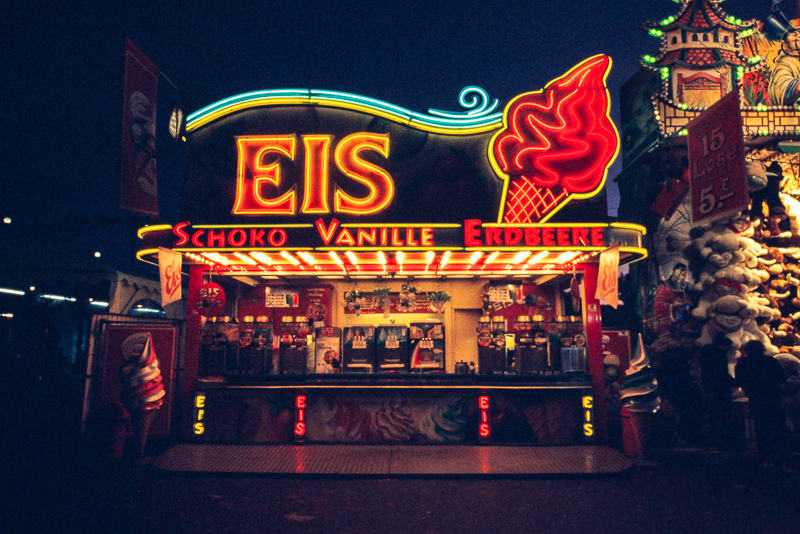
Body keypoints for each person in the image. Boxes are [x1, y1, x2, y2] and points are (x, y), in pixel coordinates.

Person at [735, 340, 793, 470]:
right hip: (772, 398)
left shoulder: (743, 363)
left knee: (761, 428)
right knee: (778, 428)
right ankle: (782, 458)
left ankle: (765, 457)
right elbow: (781, 378)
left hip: (756, 399)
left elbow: (739, 380)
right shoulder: (770, 361)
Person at [699, 335, 735, 450]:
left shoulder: (705, 354)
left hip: (709, 387)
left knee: (711, 414)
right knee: (723, 414)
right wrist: (735, 382)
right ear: (723, 346)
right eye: (728, 348)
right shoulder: (720, 355)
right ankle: (722, 442)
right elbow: (722, 373)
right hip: (721, 389)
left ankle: (710, 441)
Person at [652, 263, 691, 339]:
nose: (681, 277)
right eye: (679, 273)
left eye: (684, 275)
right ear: (673, 272)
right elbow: (658, 305)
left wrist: (688, 305)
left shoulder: (685, 288)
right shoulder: (664, 287)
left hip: (681, 325)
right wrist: (673, 306)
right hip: (666, 327)